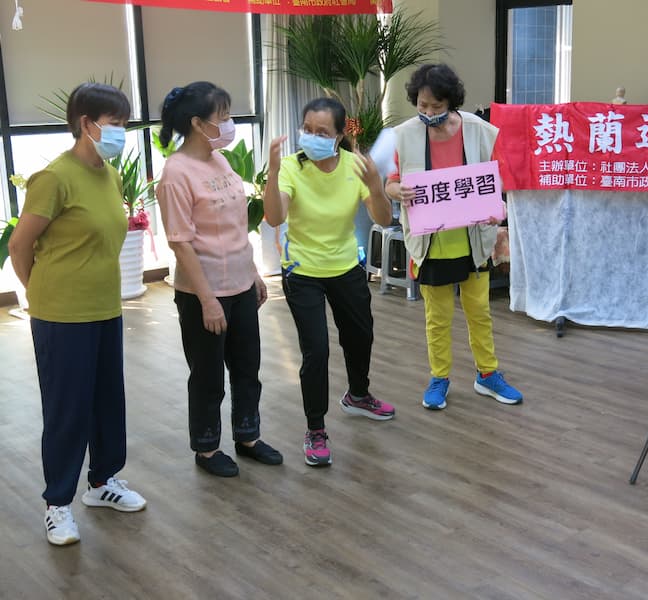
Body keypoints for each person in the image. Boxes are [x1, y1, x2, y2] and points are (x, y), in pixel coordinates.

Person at [8, 83, 146, 546]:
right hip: (61, 315)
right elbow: (19, 245)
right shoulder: (54, 178)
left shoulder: (110, 175)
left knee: (108, 401)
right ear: (86, 124)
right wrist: (40, 294)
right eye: (114, 123)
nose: (121, 131)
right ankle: (58, 504)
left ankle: (103, 482)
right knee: (67, 410)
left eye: (124, 123)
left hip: (105, 307)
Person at [156, 82, 283, 476]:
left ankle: (248, 437)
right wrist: (208, 300)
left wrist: (254, 273)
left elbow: (236, 226)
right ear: (198, 123)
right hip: (203, 293)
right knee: (208, 376)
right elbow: (181, 244)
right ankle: (207, 449)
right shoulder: (176, 173)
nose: (229, 123)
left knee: (247, 369)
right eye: (223, 116)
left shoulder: (220, 161)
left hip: (241, 285)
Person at [263, 97, 395, 467]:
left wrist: (376, 185)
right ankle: (315, 428)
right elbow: (275, 217)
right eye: (307, 129)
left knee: (360, 335)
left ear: (339, 136)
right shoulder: (291, 167)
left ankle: (358, 395)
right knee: (316, 349)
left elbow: (384, 219)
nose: (312, 137)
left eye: (322, 132)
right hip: (302, 270)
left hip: (345, 265)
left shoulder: (355, 166)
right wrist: (272, 173)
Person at [385, 64, 523, 411]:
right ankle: (439, 378)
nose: (428, 112)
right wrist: (397, 191)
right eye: (422, 105)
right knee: (437, 317)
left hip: (473, 240)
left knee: (479, 312)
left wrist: (497, 205)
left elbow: (498, 178)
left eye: (436, 106)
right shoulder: (403, 135)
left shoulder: (480, 131)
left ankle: (487, 374)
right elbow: (391, 182)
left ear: (451, 103)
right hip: (431, 244)